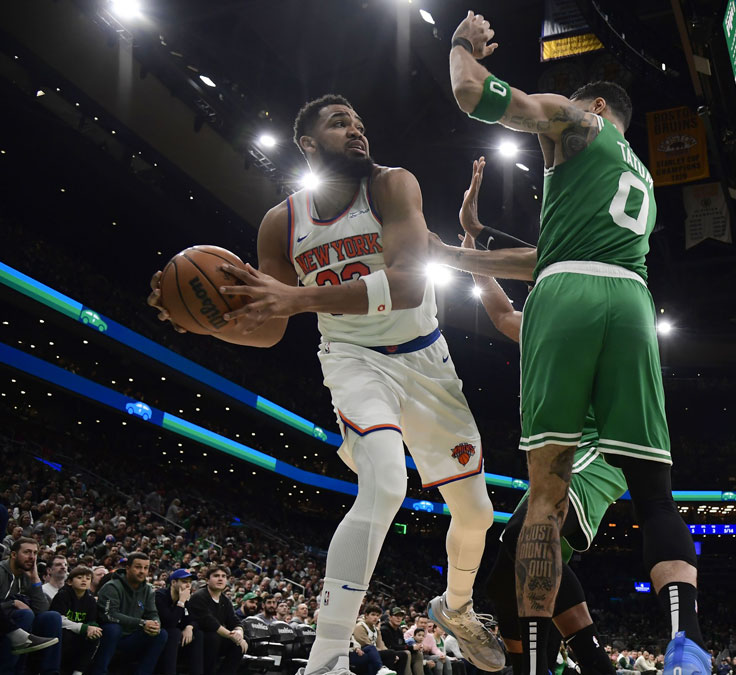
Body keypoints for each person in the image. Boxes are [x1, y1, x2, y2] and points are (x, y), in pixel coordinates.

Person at [148, 93, 504, 675]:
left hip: (426, 358)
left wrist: (300, 297)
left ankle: (457, 607)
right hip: (353, 357)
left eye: (360, 123)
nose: (357, 131)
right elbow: (266, 330)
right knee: (386, 482)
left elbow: (410, 287)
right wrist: (204, 323)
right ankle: (327, 656)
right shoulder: (283, 222)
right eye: (340, 124)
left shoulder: (392, 185)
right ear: (308, 144)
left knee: (476, 514)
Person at [443, 13, 707, 675]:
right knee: (656, 493)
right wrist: (466, 248)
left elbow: (471, 94)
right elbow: (546, 255)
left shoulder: (577, 121)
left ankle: (535, 663)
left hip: (569, 296)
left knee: (544, 499)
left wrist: (461, 47)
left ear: (594, 106)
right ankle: (689, 645)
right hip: (631, 297)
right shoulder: (639, 174)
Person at [453, 157, 621, 675]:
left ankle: (568, 657)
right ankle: (579, 659)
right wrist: (470, 251)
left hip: (595, 451)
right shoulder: (542, 324)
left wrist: (478, 238)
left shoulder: (596, 306)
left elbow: (544, 258)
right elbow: (502, 313)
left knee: (524, 542)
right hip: (554, 457)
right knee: (508, 576)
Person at [93, 551, 168, 675]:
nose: (142, 571)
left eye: (146, 568)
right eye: (138, 567)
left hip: (132, 636)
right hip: (108, 635)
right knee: (114, 629)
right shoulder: (112, 586)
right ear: (127, 568)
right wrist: (142, 623)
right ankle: (99, 672)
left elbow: (152, 613)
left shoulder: (148, 589)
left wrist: (156, 624)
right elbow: (110, 615)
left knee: (161, 634)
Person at [1, 538, 63, 674]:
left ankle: (51, 672)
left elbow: (42, 610)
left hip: (21, 620)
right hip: (6, 622)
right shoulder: (1, 572)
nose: (32, 557)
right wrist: (12, 603)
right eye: (27, 552)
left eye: (35, 553)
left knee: (52, 617)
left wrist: (35, 579)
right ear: (13, 555)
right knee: (25, 615)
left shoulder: (27, 576)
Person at [187, 565, 247, 675]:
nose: (220, 579)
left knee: (242, 642)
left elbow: (234, 620)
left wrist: (239, 633)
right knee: (213, 636)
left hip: (217, 637)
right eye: (216, 576)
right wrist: (232, 636)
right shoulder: (199, 596)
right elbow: (210, 623)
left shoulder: (225, 600)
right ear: (207, 580)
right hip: (197, 638)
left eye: (223, 576)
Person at [51, 565, 103, 675]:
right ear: (70, 582)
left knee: (95, 636)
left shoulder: (90, 600)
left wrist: (93, 628)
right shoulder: (62, 595)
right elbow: (58, 620)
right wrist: (84, 628)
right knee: (67, 635)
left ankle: (78, 671)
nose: (84, 580)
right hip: (62, 633)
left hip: (80, 634)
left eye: (88, 578)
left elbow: (92, 620)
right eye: (79, 578)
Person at [154, 568, 196, 675]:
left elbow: (193, 619)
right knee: (174, 632)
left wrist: (189, 627)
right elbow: (169, 623)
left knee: (198, 634)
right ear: (173, 582)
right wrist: (181, 602)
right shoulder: (160, 596)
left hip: (173, 637)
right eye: (184, 582)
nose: (188, 585)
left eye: (190, 582)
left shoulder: (185, 598)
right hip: (156, 633)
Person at [352, 604, 400, 675]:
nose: (375, 617)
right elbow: (365, 643)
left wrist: (391, 653)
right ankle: (380, 670)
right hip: (362, 651)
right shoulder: (360, 626)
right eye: (373, 615)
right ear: (366, 615)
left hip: (373, 651)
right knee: (387, 653)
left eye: (377, 615)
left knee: (394, 654)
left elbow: (381, 645)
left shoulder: (376, 630)